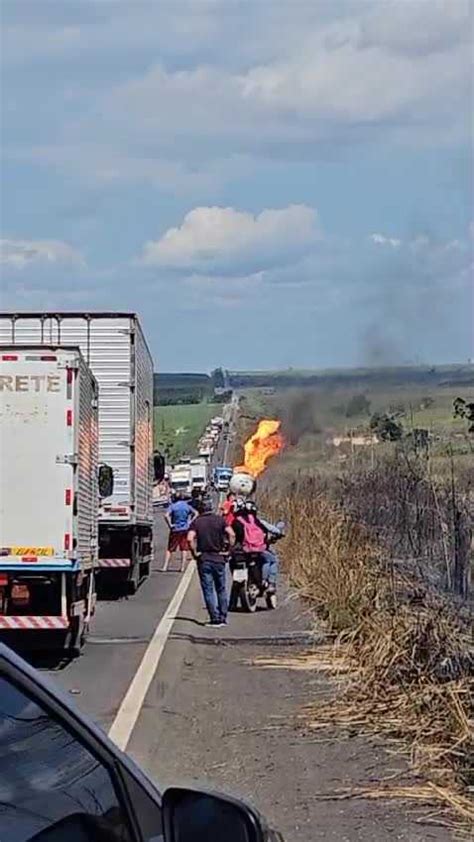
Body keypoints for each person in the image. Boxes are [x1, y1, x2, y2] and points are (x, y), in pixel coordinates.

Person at [188, 499, 235, 627]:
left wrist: (195, 553)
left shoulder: (196, 522)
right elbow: (232, 534)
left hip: (204, 559)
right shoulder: (220, 520)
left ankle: (214, 618)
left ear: (200, 509)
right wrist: (228, 551)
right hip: (219, 558)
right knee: (221, 588)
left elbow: (190, 538)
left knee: (208, 589)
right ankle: (223, 617)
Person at [163, 493, 197, 572]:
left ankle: (165, 566)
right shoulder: (186, 506)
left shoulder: (173, 506)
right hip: (185, 529)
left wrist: (170, 525)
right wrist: (190, 522)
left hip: (175, 529)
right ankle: (182, 567)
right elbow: (196, 513)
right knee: (184, 548)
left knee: (170, 549)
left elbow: (166, 515)